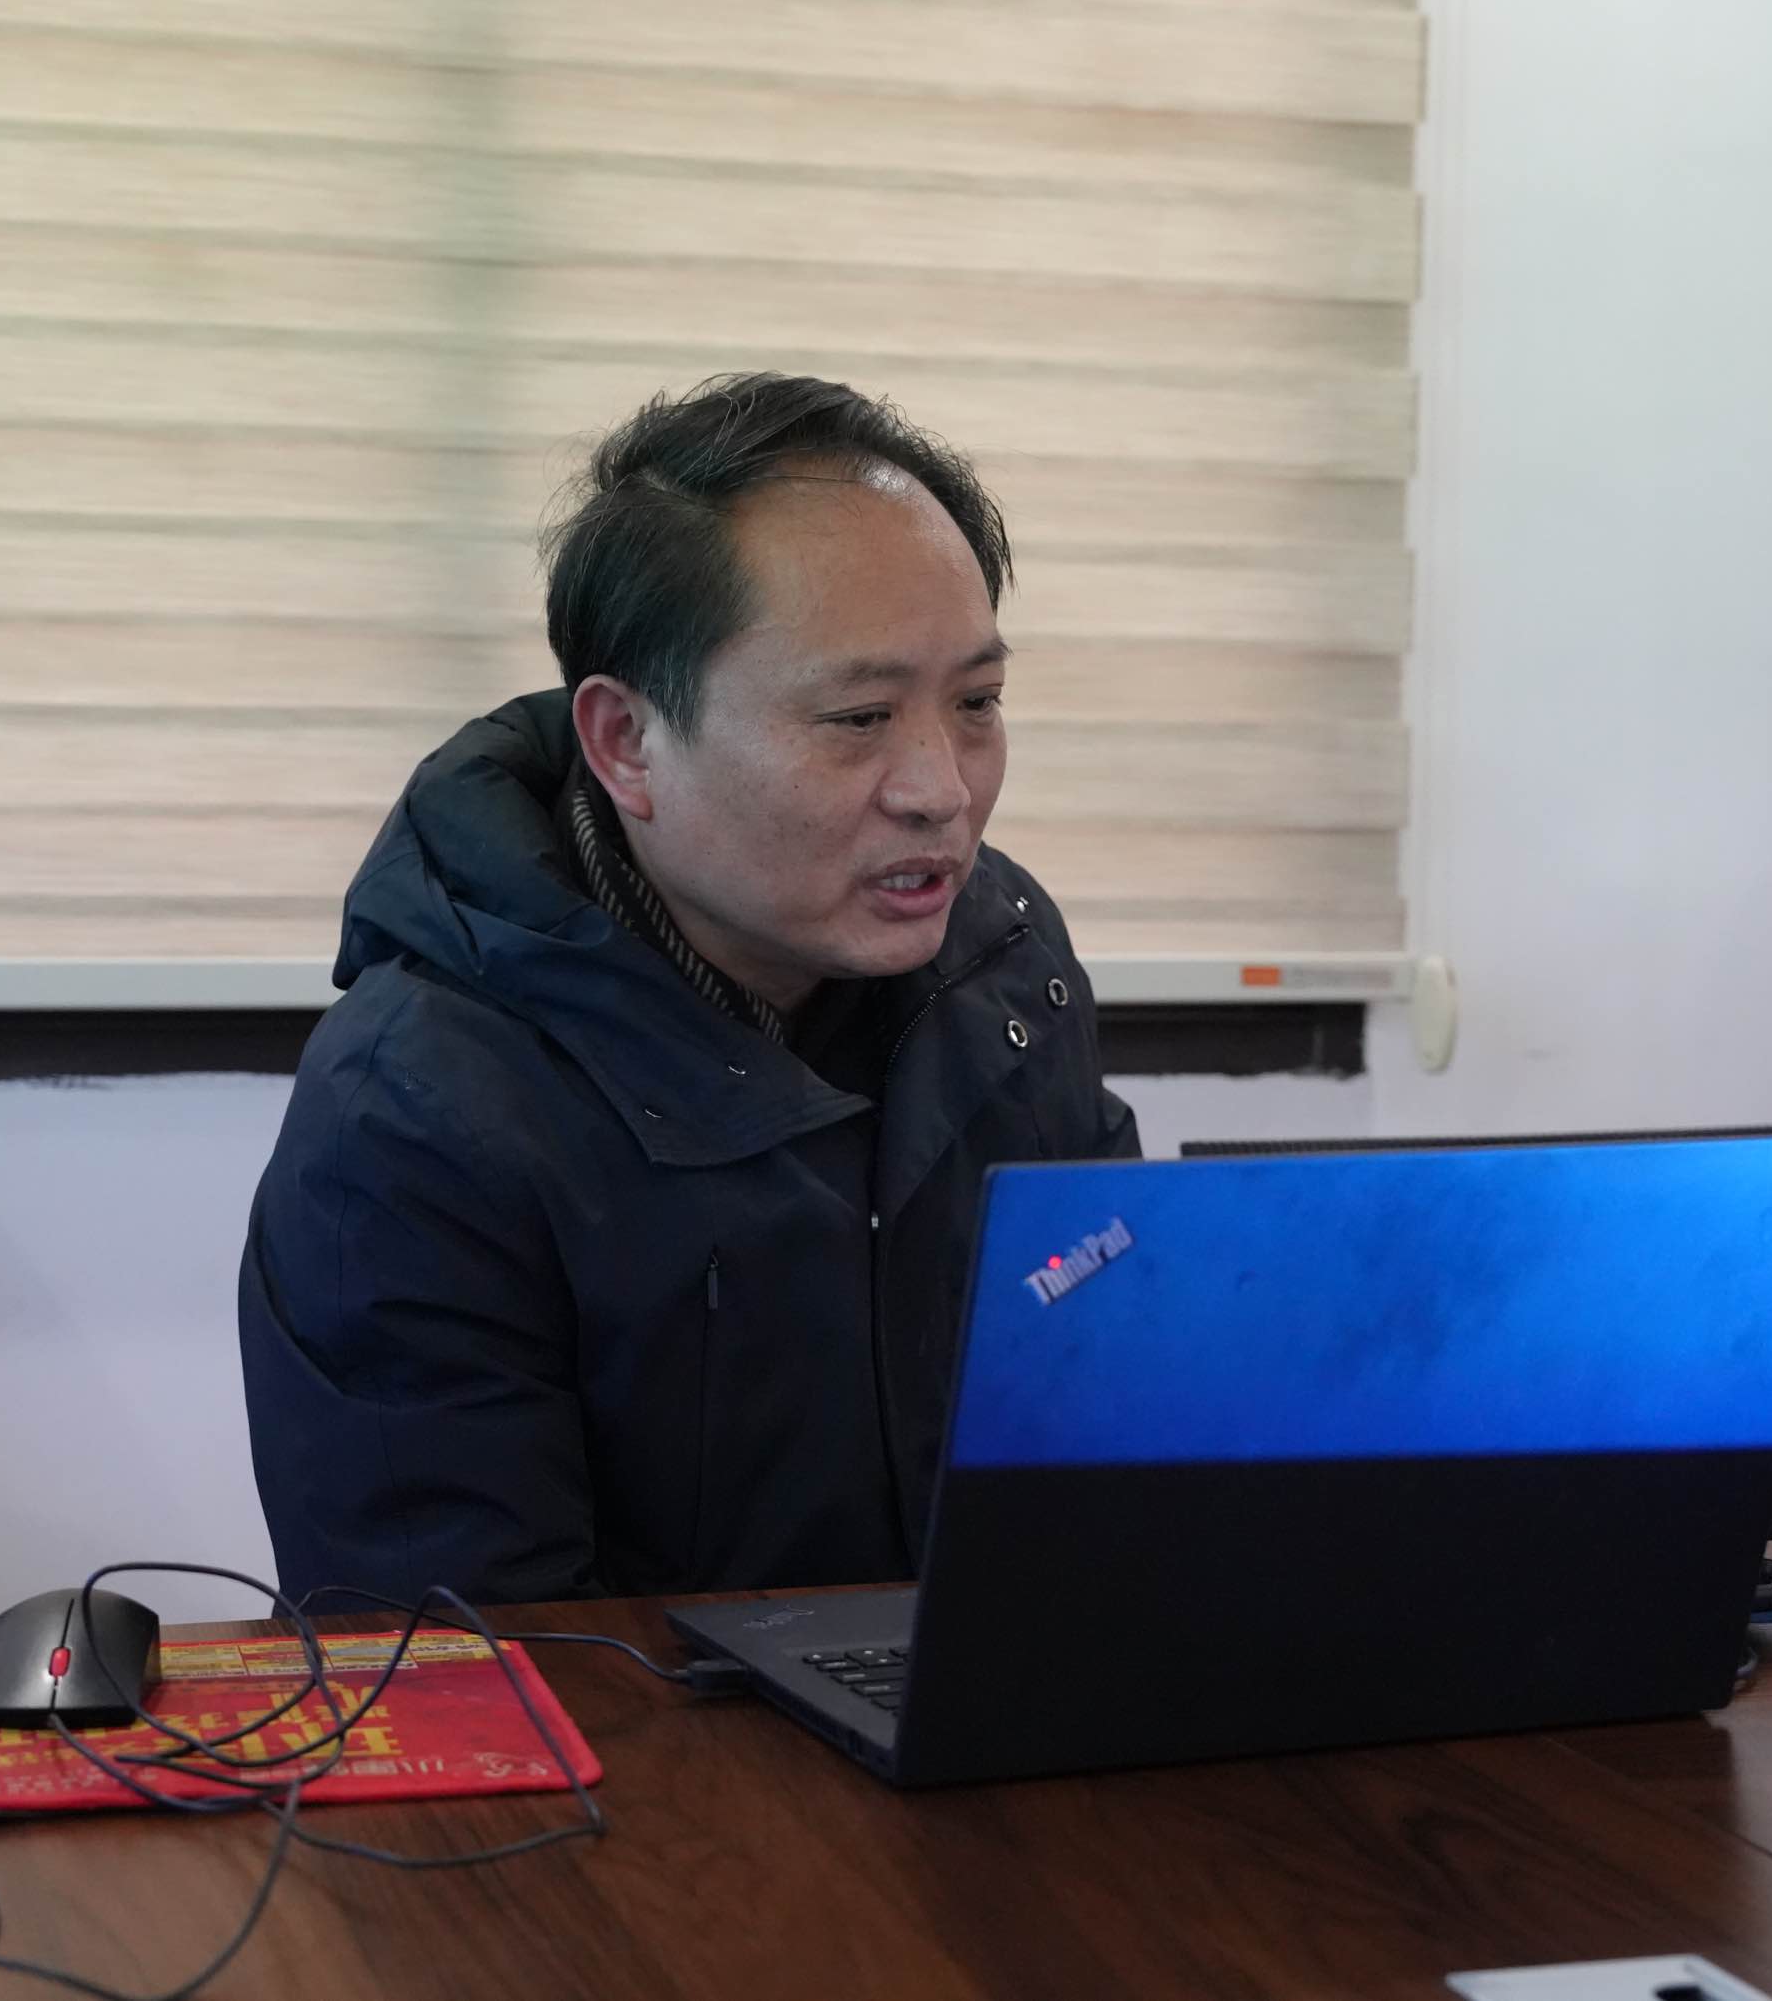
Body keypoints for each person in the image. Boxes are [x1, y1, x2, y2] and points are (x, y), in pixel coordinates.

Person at [238, 373, 1139, 1605]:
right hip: (659, 1734)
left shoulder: (1005, 975)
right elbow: (466, 1660)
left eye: (977, 702)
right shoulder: (417, 1113)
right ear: (628, 742)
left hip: (995, 1698)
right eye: (859, 717)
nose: (941, 788)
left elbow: (1114, 1421)